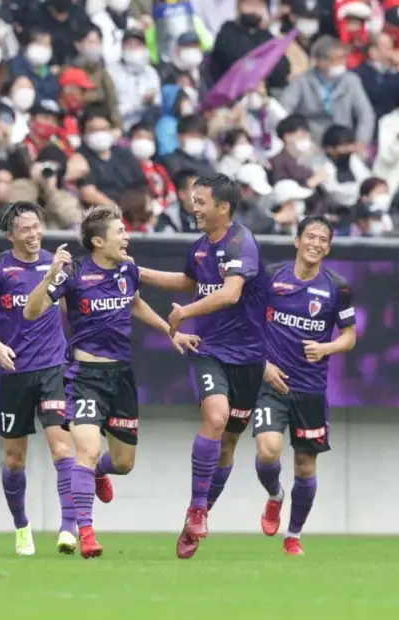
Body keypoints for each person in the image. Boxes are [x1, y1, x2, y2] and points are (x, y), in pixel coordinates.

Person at [23, 206, 198, 559]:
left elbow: (135, 305)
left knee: (123, 463)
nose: (126, 236)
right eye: (120, 232)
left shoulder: (127, 269)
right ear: (98, 241)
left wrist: (171, 332)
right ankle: (86, 533)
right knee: (86, 450)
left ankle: (100, 473)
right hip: (84, 378)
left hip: (121, 378)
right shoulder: (73, 274)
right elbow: (31, 311)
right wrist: (49, 276)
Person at [136, 173, 269, 559]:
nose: (193, 207)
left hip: (249, 358)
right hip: (209, 350)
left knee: (228, 444)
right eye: (192, 200)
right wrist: (137, 271)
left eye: (200, 202)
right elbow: (186, 280)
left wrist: (185, 313)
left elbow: (230, 293)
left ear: (223, 207)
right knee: (216, 417)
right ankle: (197, 509)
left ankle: (198, 515)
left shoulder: (242, 243)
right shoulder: (199, 247)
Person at [0, 202, 80, 556]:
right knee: (14, 459)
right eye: (25, 229)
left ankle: (68, 528)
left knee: (62, 448)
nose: (33, 234)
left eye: (37, 227)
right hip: (15, 373)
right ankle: (21, 527)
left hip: (53, 368)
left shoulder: (58, 264)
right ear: (11, 235)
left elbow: (71, 312)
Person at [252, 215, 357, 556]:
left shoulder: (337, 287)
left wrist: (326, 348)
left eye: (323, 239)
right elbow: (247, 324)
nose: (316, 243)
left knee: (306, 466)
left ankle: (293, 535)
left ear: (328, 248)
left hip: (311, 388)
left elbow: (349, 337)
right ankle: (274, 495)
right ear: (297, 241)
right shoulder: (271, 277)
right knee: (268, 450)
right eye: (310, 236)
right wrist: (263, 365)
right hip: (273, 383)